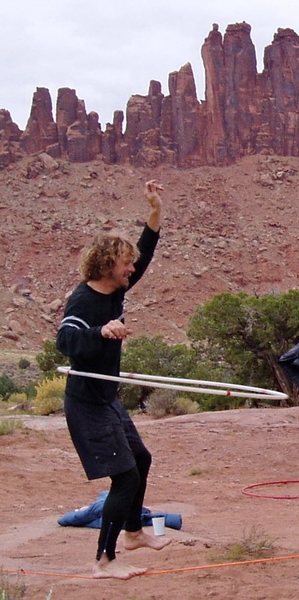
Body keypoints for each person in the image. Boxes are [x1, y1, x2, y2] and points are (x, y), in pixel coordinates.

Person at [56, 180, 170, 579]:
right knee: (125, 477)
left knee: (142, 458)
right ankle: (104, 562)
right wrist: (101, 332)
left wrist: (155, 212)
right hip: (86, 403)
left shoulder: (114, 291)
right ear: (108, 267)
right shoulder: (85, 300)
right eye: (126, 264)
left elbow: (147, 252)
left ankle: (134, 533)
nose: (132, 269)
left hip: (106, 397)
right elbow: (65, 340)